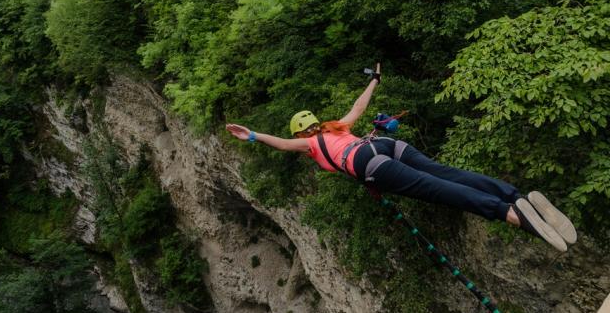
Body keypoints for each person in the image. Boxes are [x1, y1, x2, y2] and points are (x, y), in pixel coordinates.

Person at [225, 64, 577, 251]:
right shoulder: (336, 126)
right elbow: (358, 107)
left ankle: (513, 215)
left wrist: (252, 135)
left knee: (439, 189)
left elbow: (282, 145)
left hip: (369, 164)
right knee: (448, 173)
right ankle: (516, 195)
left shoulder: (310, 144)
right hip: (382, 144)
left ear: (301, 132)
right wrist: (375, 80)